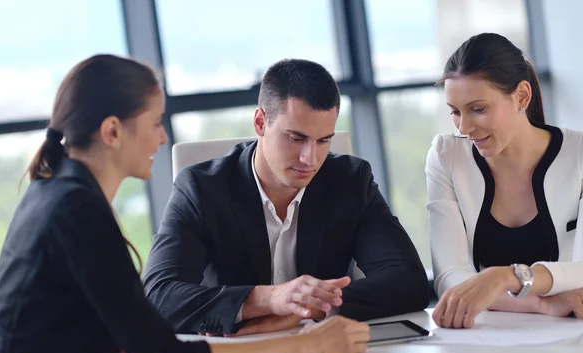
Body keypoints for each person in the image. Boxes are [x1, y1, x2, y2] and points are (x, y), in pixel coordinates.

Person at [0, 54, 370, 353]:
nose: (163, 136)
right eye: (154, 122)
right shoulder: (75, 210)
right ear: (113, 132)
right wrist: (308, 347)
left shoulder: (60, 191)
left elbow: (67, 313)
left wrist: (107, 349)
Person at [142, 58, 429, 337]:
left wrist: (306, 309)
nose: (310, 158)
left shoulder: (351, 181)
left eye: (323, 141)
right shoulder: (201, 189)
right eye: (296, 138)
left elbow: (409, 281)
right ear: (260, 122)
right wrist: (270, 299)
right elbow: (158, 297)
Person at [427, 32, 583, 329]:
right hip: (493, 335)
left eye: (478, 109)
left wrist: (503, 277)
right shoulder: (446, 156)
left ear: (522, 96)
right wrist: (539, 303)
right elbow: (450, 280)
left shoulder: (579, 155)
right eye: (455, 112)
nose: (464, 127)